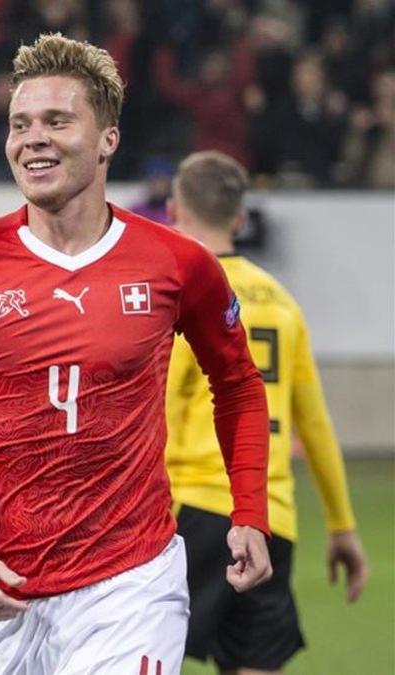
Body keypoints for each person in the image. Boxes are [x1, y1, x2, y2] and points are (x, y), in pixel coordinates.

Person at [0, 34, 273, 673]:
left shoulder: (178, 264)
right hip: (9, 590)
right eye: (20, 124)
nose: (32, 137)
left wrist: (250, 511)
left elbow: (236, 382)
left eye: (57, 121)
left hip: (133, 580)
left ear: (107, 140)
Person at [165, 150, 369, 674]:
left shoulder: (186, 294)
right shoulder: (282, 303)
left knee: (136, 654)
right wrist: (342, 526)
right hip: (269, 517)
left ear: (174, 211)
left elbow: (159, 408)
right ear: (238, 217)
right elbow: (316, 426)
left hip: (194, 506)